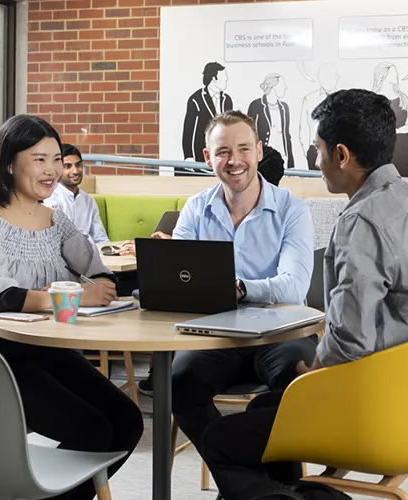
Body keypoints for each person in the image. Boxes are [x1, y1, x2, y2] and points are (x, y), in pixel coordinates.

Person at [198, 89, 408, 500]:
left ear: (341, 155)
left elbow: (349, 340)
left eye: (318, 148)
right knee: (264, 409)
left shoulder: (361, 221)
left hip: (379, 412)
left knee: (221, 438)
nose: (315, 159)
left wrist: (315, 375)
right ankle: (294, 492)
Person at [0, 114, 142, 500]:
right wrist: (64, 295)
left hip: (52, 350)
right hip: (0, 359)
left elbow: (101, 276)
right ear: (10, 163)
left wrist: (97, 286)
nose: (52, 170)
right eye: (39, 159)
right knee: (93, 430)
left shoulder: (59, 223)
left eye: (57, 159)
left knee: (127, 421)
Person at [169, 109, 318, 489]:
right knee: (179, 382)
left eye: (243, 149)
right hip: (216, 335)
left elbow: (293, 286)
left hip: (281, 332)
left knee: (293, 386)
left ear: (259, 151)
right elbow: (179, 279)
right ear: (207, 157)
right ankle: (256, 490)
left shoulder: (291, 208)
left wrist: (241, 288)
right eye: (222, 152)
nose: (234, 161)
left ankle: (270, 488)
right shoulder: (194, 209)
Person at [43, 143, 110, 245]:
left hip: (88, 256)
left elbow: (100, 239)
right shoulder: (49, 198)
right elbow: (55, 242)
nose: (75, 171)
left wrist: (113, 250)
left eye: (78, 165)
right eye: (67, 166)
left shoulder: (88, 200)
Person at [372, 62, 408, 177]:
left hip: (404, 150)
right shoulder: (373, 100)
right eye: (393, 72)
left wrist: (398, 131)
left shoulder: (403, 98)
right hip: (380, 151)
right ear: (383, 75)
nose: (397, 75)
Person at [247, 74, 295, 170]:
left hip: (282, 154)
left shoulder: (284, 107)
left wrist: (290, 162)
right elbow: (249, 133)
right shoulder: (256, 105)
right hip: (264, 156)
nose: (285, 88)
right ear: (274, 87)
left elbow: (286, 135)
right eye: (282, 85)